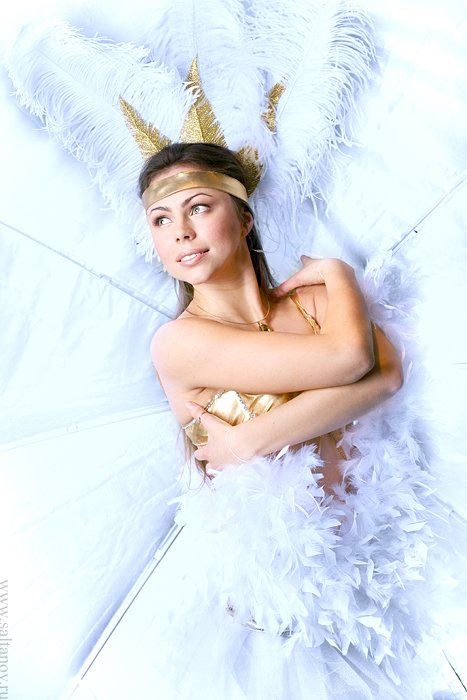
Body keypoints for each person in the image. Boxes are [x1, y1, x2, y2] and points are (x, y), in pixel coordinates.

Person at [140, 141, 439, 698]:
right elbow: (350, 359)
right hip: (272, 614)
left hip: (362, 588)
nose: (180, 231)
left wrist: (248, 439)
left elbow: (388, 375)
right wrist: (340, 277)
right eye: (161, 219)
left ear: (244, 218)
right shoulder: (180, 343)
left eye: (199, 207)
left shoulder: (313, 305)